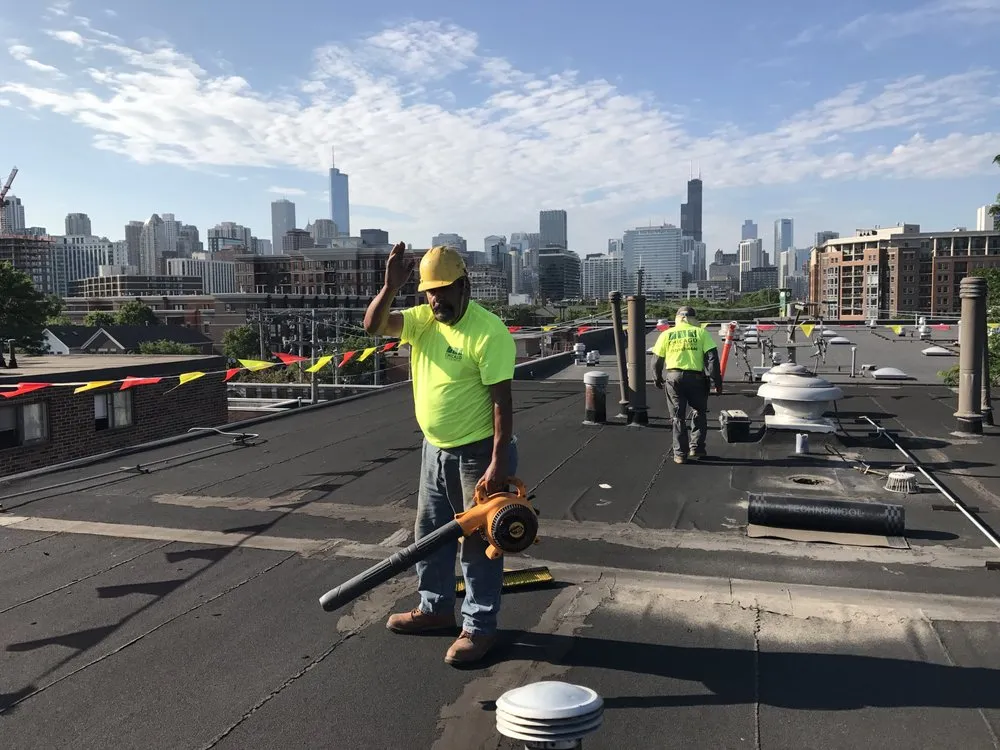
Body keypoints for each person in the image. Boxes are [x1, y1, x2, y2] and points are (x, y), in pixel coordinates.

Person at [363, 242, 518, 666]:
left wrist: (498, 462)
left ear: (464, 286)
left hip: (478, 451)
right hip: (435, 449)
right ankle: (435, 609)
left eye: (445, 290)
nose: (437, 299)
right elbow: (373, 326)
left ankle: (479, 627)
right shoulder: (421, 321)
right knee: (428, 535)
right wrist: (390, 286)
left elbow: (502, 402)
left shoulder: (488, 332)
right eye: (430, 291)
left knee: (478, 541)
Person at [650, 306, 723, 464]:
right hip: (696, 378)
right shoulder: (702, 333)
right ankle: (697, 447)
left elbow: (656, 360)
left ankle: (680, 454)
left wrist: (657, 378)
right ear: (693, 318)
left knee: (677, 417)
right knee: (699, 412)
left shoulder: (666, 334)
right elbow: (712, 359)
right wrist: (717, 382)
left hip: (673, 378)